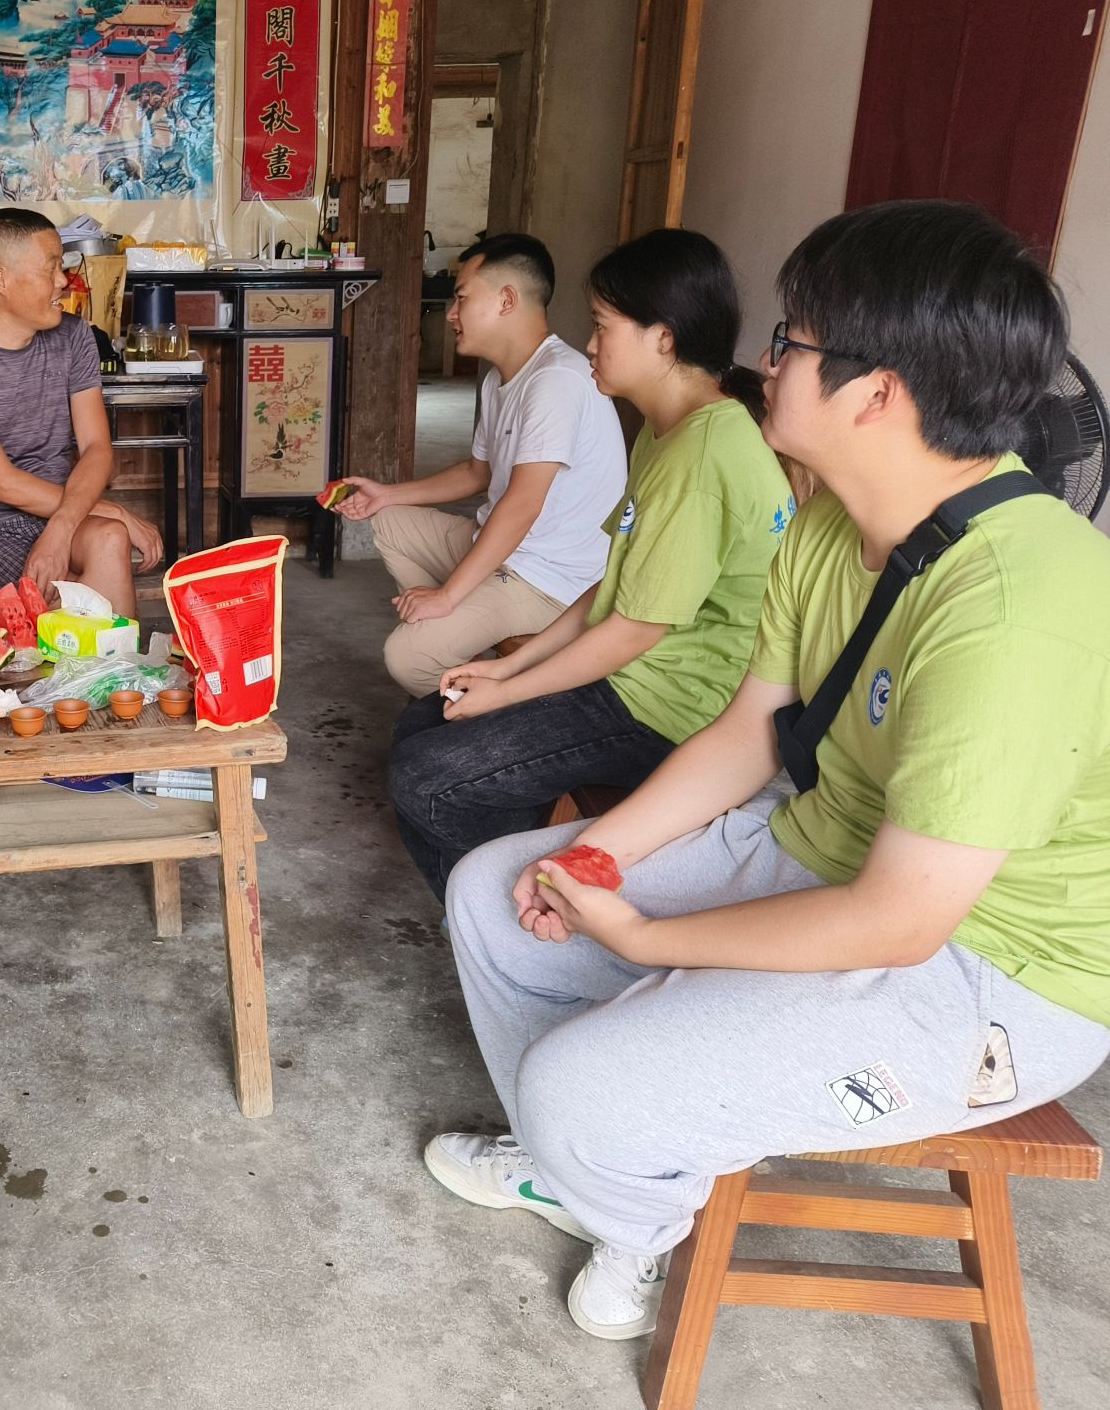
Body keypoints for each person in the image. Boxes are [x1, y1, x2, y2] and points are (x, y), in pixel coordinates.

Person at [424, 201, 1110, 1345]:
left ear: (874, 392)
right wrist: (598, 858)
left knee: (574, 1088)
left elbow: (897, 922)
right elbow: (749, 733)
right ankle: (585, 1164)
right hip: (818, 840)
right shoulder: (831, 522)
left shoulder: (1015, 608)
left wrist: (647, 936)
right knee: (496, 897)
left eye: (790, 341)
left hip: (992, 971)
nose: (765, 363)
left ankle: (622, 1206)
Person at [386, 230, 794, 895]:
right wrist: (509, 664)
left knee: (425, 776)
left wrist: (509, 690)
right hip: (634, 676)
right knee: (421, 723)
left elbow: (633, 632)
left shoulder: (701, 456)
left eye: (603, 326)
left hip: (669, 707)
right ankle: (504, 892)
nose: (592, 344)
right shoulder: (670, 432)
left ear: (663, 338)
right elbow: (616, 582)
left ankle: (522, 911)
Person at [336, 234, 627, 696]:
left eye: (463, 298)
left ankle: (480, 707)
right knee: (388, 520)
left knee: (408, 658)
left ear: (507, 300)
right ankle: (458, 651)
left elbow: (523, 504)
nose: (452, 314)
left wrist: (447, 595)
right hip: (502, 551)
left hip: (547, 581)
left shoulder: (555, 380)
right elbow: (478, 473)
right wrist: (386, 494)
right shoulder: (500, 380)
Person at [0, 207, 162, 615]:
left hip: (62, 512)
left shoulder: (74, 336)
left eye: (62, 266)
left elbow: (97, 448)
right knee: (65, 605)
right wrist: (112, 509)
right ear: (2, 281)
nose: (63, 281)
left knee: (110, 538)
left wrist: (62, 527)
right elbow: (3, 484)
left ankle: (116, 659)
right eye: (51, 268)